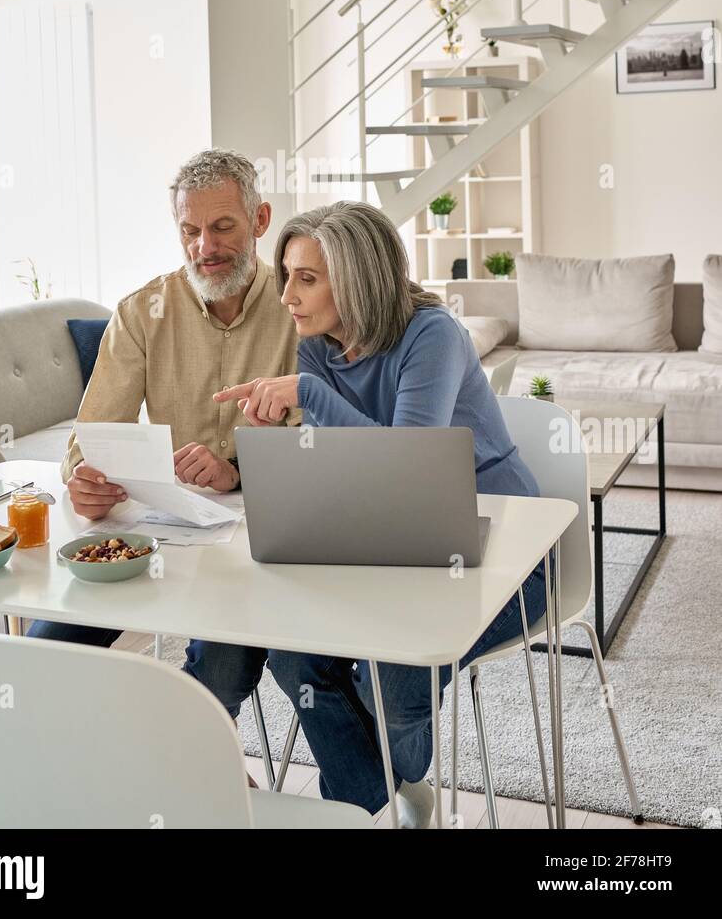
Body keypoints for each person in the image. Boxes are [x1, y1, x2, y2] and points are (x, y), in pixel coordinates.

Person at [215, 200, 550, 827]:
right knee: (294, 656)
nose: (286, 294)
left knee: (390, 674)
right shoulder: (316, 344)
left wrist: (308, 396)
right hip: (389, 541)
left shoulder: (433, 334)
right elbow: (353, 471)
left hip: (507, 549)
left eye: (306, 278)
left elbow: (407, 466)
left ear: (358, 278)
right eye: (286, 273)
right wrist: (274, 450)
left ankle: (394, 778)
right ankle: (366, 809)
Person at [28, 148, 298, 724]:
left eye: (223, 226)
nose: (206, 247)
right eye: (190, 231)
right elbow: (90, 436)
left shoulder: (301, 306)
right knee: (43, 649)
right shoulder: (141, 312)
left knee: (217, 673)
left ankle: (187, 762)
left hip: (263, 542)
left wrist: (237, 471)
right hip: (162, 532)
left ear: (259, 220)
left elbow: (330, 445)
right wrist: (85, 478)